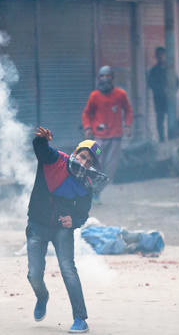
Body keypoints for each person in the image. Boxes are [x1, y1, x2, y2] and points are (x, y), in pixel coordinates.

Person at [26, 126, 107, 333]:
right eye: (82, 156)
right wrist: (42, 140)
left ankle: (80, 318)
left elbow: (82, 211)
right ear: (76, 152)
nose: (84, 162)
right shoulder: (55, 160)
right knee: (34, 275)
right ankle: (42, 297)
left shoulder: (86, 182)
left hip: (61, 229)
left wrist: (75, 220)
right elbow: (41, 150)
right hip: (36, 225)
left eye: (89, 162)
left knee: (68, 271)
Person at [81, 66, 133, 202]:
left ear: (112, 78)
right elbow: (86, 113)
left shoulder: (120, 94)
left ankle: (97, 192)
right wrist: (87, 128)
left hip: (115, 138)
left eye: (108, 76)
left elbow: (128, 110)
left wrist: (127, 125)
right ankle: (90, 191)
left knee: (110, 169)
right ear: (98, 79)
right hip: (98, 138)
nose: (105, 79)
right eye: (102, 76)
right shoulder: (94, 96)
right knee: (97, 163)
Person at [148, 47, 170, 143]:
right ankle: (161, 138)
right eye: (159, 55)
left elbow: (177, 82)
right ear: (156, 57)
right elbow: (151, 84)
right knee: (160, 119)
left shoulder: (170, 69)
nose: (161, 57)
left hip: (169, 99)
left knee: (171, 118)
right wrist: (161, 90)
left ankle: (171, 136)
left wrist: (170, 90)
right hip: (159, 99)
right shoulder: (154, 70)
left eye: (162, 55)